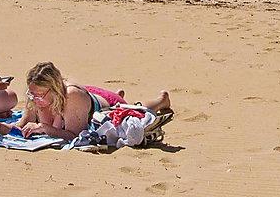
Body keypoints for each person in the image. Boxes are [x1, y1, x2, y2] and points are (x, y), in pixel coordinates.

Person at [18, 60, 172, 140]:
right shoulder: (35, 93)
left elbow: (74, 134)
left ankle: (161, 100)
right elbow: (22, 124)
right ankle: (117, 93)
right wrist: (4, 126)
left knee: (134, 109)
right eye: (32, 94)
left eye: (39, 95)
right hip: (86, 98)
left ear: (54, 90)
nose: (34, 99)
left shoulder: (71, 97)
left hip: (102, 103)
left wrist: (45, 128)